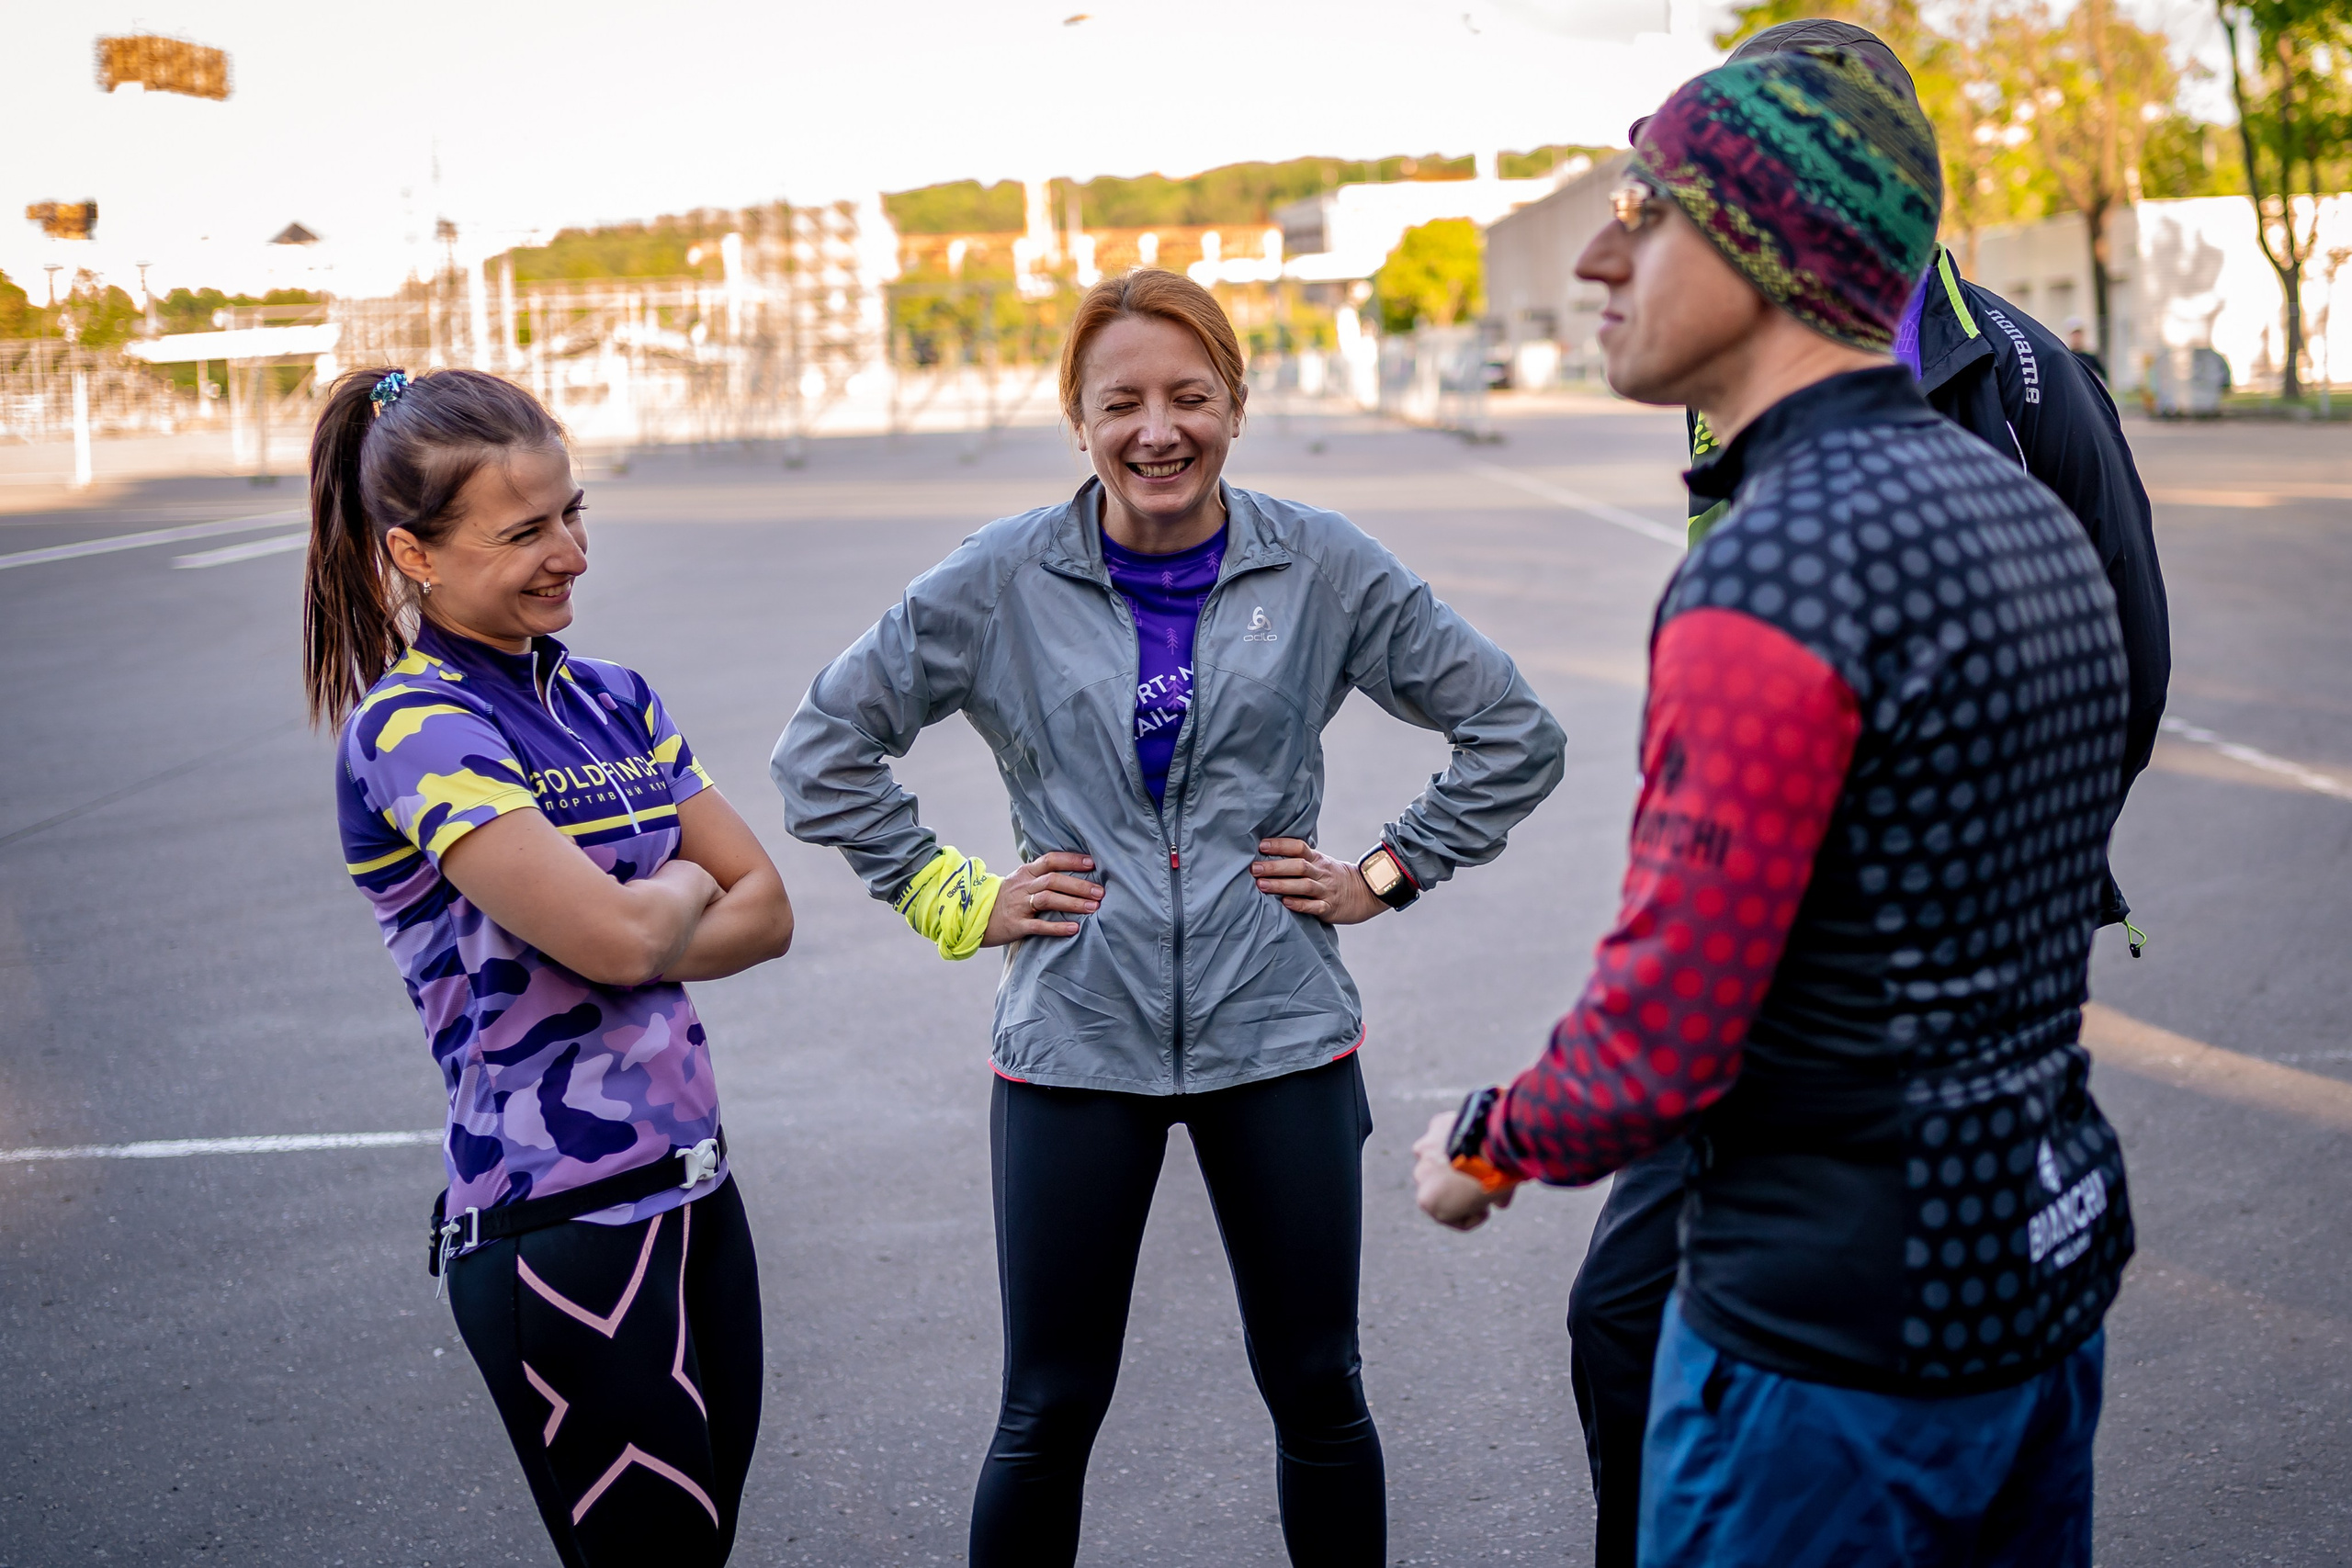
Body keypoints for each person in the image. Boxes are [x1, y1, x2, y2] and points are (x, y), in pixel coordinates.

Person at [1415, 48, 2133, 1568]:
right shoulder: (2018, 507)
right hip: (2035, 1290)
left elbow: (1659, 1044)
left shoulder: (1776, 567)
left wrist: (1484, 1149)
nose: (1601, 258)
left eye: (1649, 213)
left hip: (1828, 1357)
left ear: (1777, 249)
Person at [773, 269, 1566, 1567]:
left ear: (1237, 405)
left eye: (1189, 396)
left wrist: (1383, 873)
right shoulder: (1000, 578)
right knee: (1048, 1411)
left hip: (1281, 1034)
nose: (1158, 430)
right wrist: (956, 894)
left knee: (1320, 1394)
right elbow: (823, 752)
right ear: (1076, 420)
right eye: (1121, 402)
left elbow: (1513, 733)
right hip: (1076, 1037)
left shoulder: (1321, 564)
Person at [305, 367, 795, 1568]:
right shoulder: (416, 730)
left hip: (696, 1199)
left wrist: (646, 908)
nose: (569, 552)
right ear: (414, 554)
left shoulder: (616, 698)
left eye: (574, 514)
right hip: (561, 1229)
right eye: (525, 531)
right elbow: (618, 944)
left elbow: (771, 908)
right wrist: (673, 891)